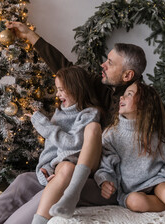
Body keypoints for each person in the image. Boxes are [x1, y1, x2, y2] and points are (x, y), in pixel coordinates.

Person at [0, 22, 165, 224]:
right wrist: (31, 36)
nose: (103, 64)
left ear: (127, 75)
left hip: (109, 183)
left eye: (110, 63)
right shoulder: (102, 89)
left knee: (55, 186)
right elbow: (68, 70)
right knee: (24, 182)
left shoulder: (148, 106)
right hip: (88, 169)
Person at [94, 80, 165, 212]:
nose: (121, 97)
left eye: (129, 94)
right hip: (132, 188)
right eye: (123, 94)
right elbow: (105, 164)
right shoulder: (111, 134)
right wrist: (105, 181)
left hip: (158, 179)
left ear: (143, 104)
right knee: (135, 202)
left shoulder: (154, 133)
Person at [29, 66, 102, 223]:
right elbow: (51, 151)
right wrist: (47, 170)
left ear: (76, 88)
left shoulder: (89, 114)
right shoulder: (59, 113)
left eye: (61, 89)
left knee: (68, 166)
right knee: (22, 182)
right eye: (57, 89)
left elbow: (73, 144)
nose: (57, 94)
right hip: (60, 165)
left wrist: (44, 125)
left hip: (80, 164)